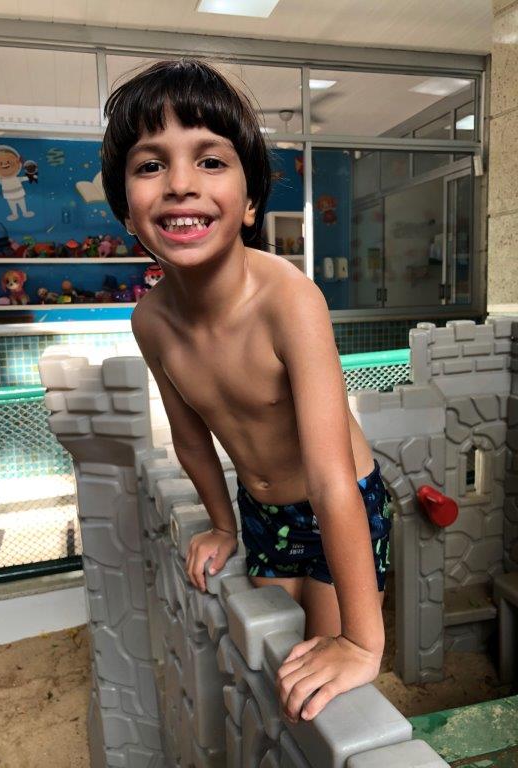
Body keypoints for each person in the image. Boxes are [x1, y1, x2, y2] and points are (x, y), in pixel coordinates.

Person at [101, 58, 392, 723]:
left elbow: (331, 479)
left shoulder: (290, 301)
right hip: (261, 510)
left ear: (251, 201)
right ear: (126, 211)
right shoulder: (151, 322)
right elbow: (190, 439)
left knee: (328, 674)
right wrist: (224, 524)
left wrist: (362, 642)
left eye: (210, 161)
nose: (180, 184)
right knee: (271, 656)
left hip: (340, 503)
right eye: (150, 165)